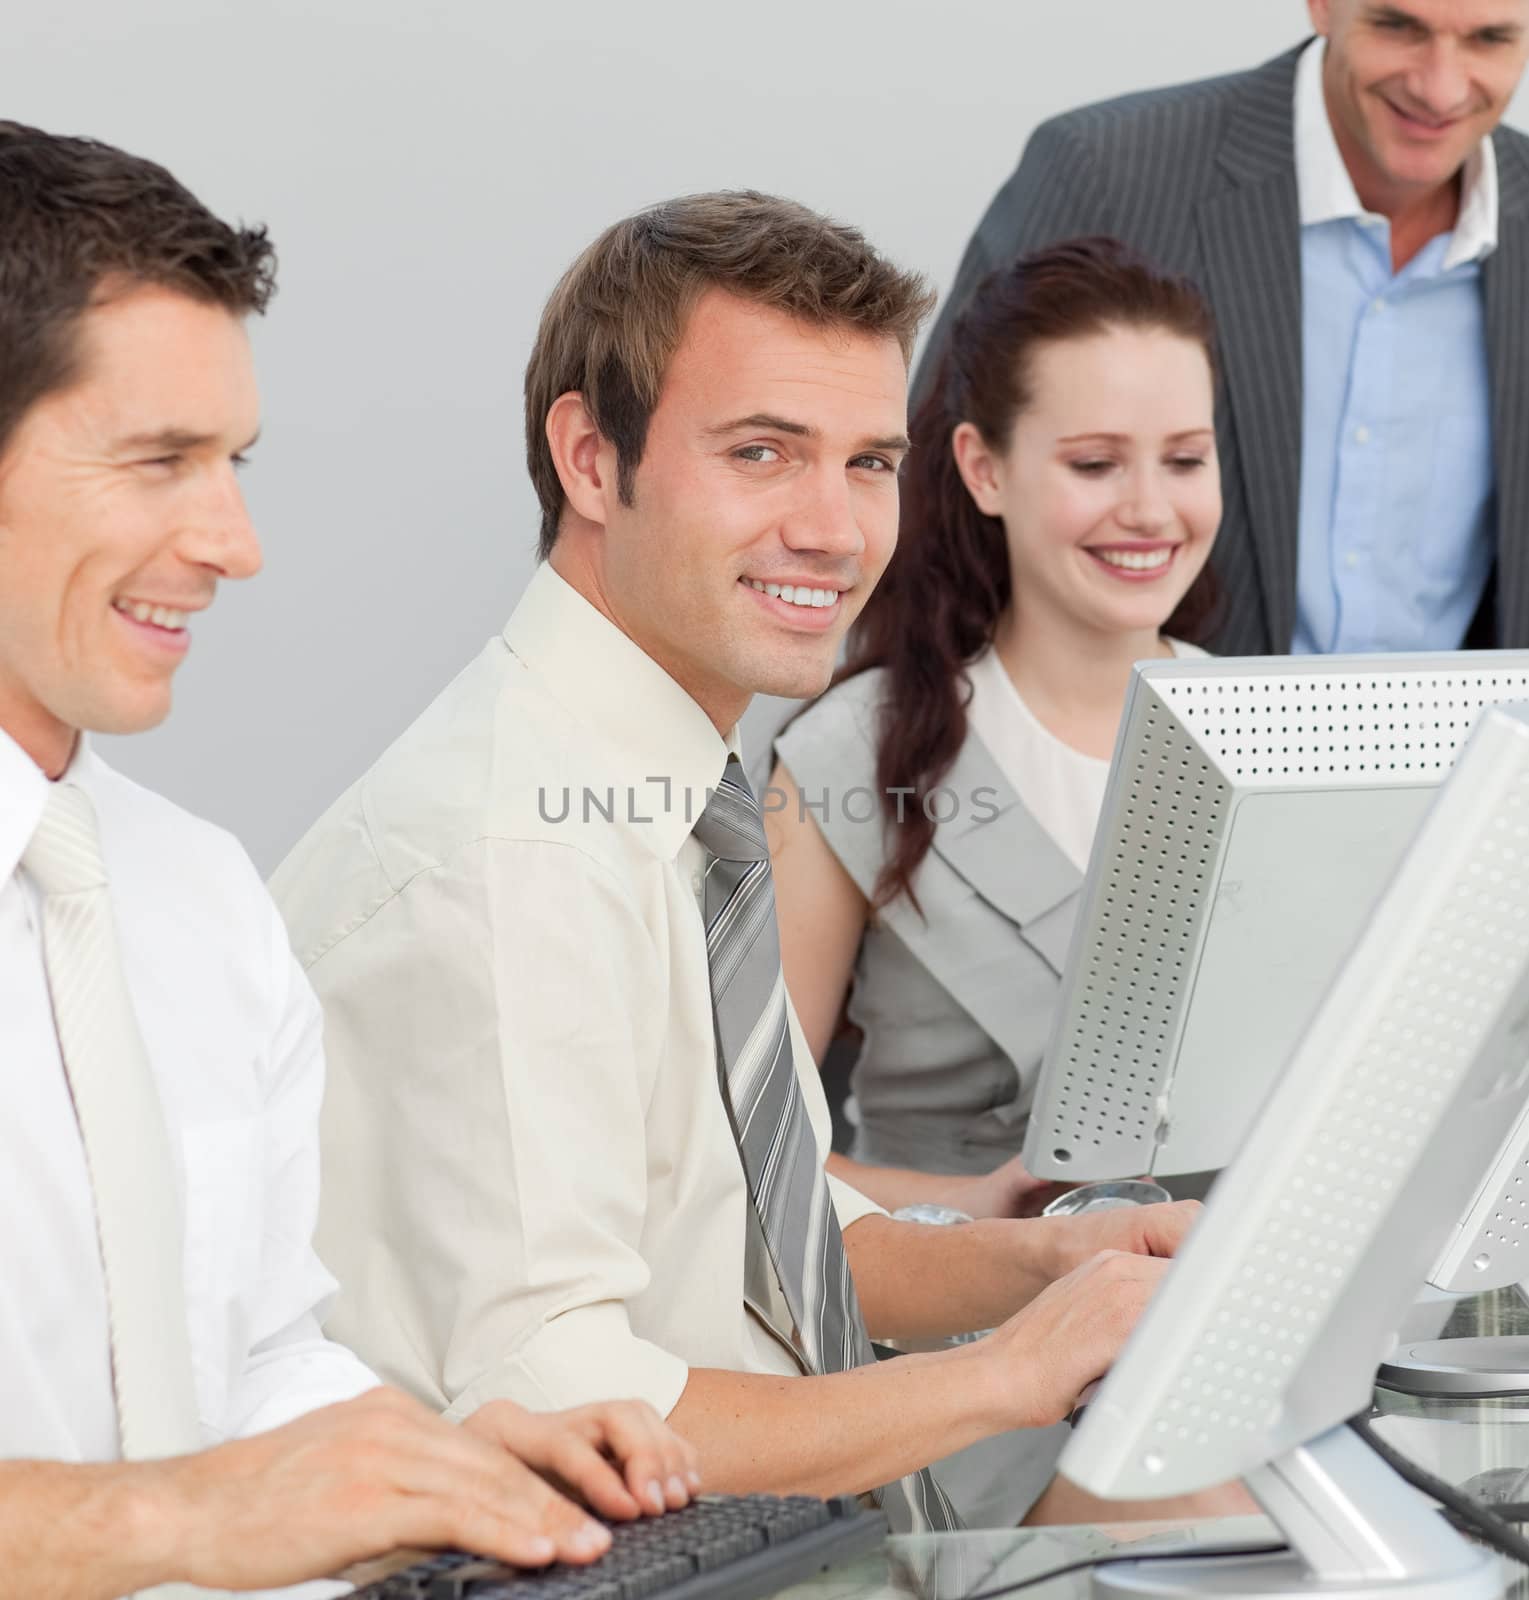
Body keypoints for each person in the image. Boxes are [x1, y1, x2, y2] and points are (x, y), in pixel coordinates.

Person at [271, 190, 1208, 1535]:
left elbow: (760, 1222)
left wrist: (1043, 1262)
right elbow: (577, 1415)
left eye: (868, 463)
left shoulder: (661, 784)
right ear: (593, 462)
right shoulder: (513, 856)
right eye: (763, 453)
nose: (834, 530)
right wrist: (1013, 1375)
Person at [0, 121, 698, 1600]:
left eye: (233, 461)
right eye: (159, 462)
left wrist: (449, 1459)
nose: (236, 541)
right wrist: (172, 1523)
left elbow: (254, 1361)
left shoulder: (196, 901)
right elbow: (198, 1502)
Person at [764, 237, 1221, 1521]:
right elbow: (742, 1163)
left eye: (1184, 460)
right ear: (980, 468)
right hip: (980, 1383)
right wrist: (982, 1222)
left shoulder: (1268, 732)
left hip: (1232, 1345)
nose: (1149, 509)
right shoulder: (851, 759)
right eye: (1092, 465)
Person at [918, 0, 1529, 657]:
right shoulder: (1106, 172)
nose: (1439, 87)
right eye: (1397, 26)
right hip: (1133, 748)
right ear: (1323, 6)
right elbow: (927, 497)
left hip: (1481, 753)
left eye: (1489, 39)